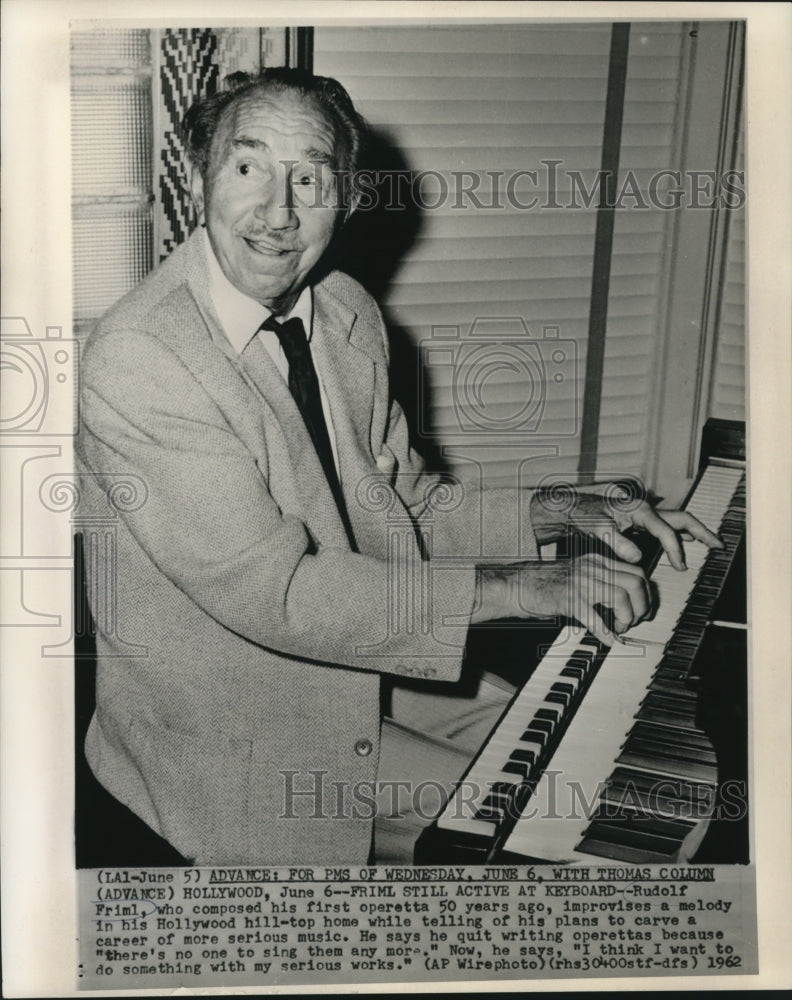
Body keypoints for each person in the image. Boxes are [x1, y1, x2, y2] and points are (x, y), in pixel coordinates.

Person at [76, 67, 721, 866]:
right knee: (561, 831)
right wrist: (522, 587)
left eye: (308, 178)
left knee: (618, 769)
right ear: (200, 175)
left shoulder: (344, 310)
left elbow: (402, 502)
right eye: (249, 169)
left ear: (343, 199)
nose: (277, 212)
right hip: (237, 731)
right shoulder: (142, 356)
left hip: (369, 666)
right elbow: (280, 592)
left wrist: (558, 511)